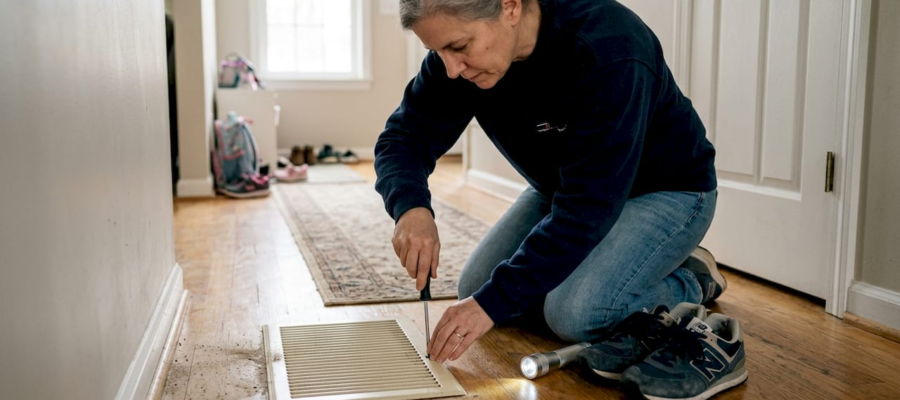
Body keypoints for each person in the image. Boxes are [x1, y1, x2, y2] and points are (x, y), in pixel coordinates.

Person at [374, 0, 722, 365]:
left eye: (459, 47)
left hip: (668, 191)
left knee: (574, 313)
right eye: (437, 51)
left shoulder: (609, 45)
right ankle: (621, 265)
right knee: (476, 288)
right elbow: (403, 138)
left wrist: (491, 304)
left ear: (510, 7)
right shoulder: (457, 64)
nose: (451, 69)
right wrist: (410, 208)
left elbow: (588, 209)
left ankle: (691, 280)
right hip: (567, 189)